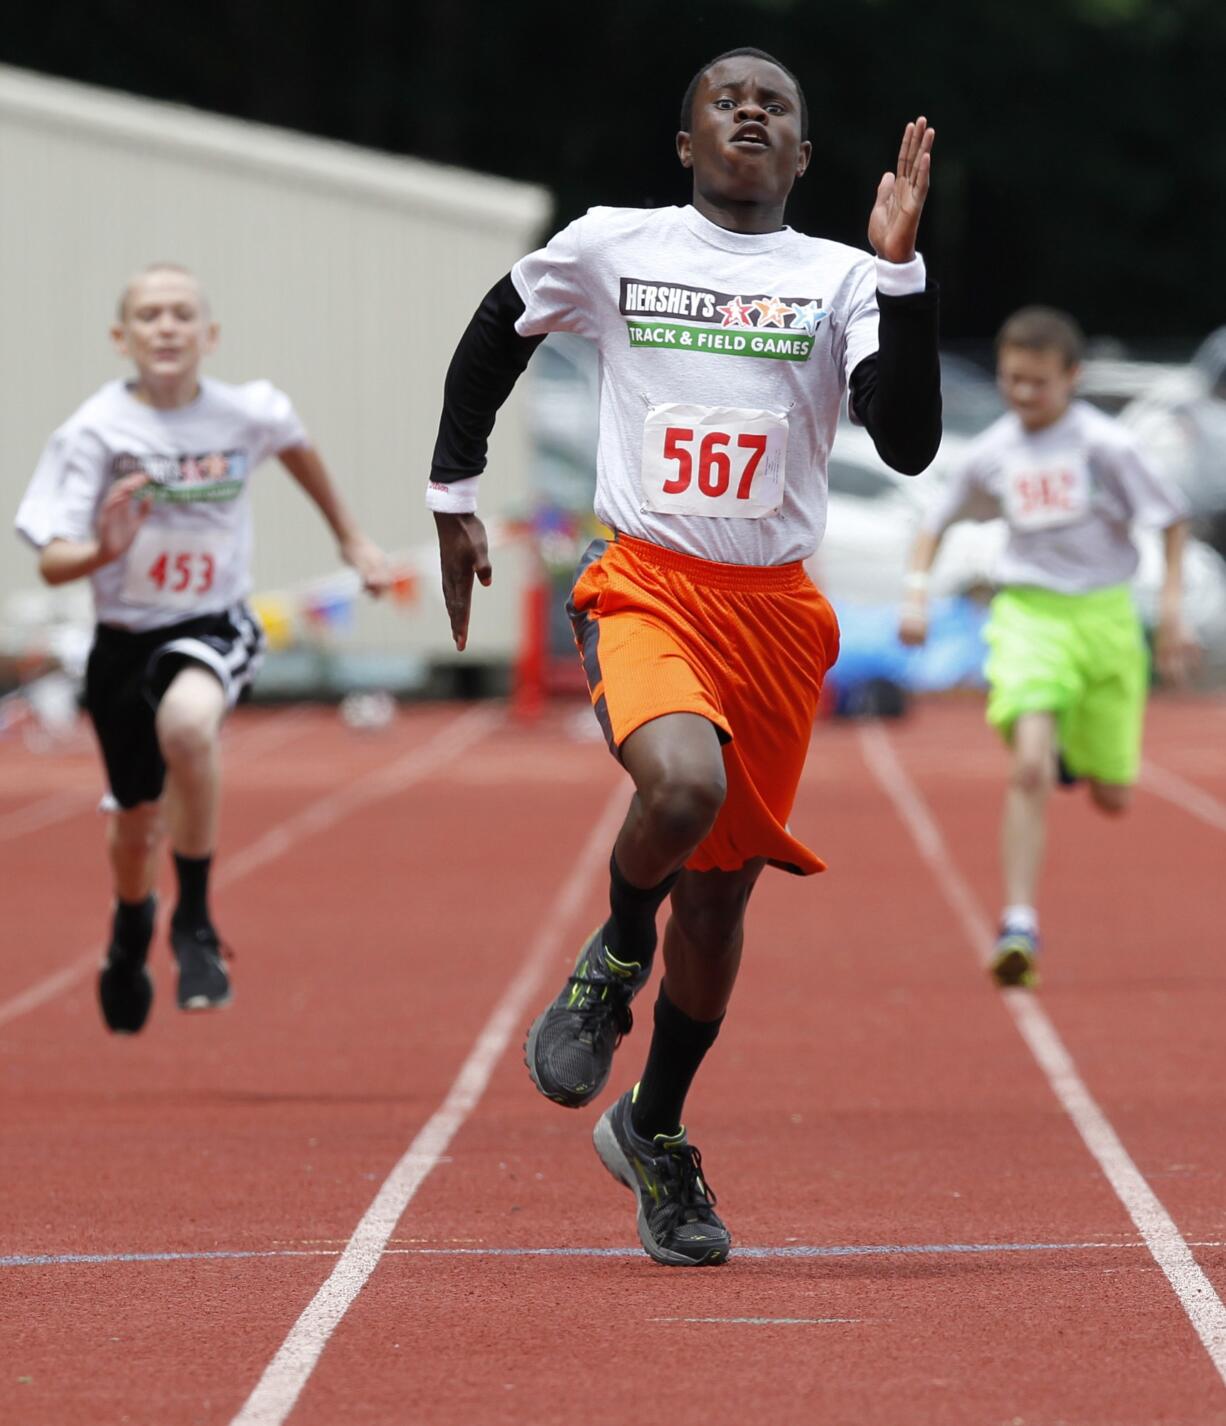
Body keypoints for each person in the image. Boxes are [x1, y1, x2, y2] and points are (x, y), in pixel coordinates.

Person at [427, 48, 942, 1266]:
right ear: (685, 142)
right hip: (647, 582)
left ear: (803, 156)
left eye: (776, 105)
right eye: (727, 98)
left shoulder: (842, 278)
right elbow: (498, 326)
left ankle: (652, 1130)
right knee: (681, 788)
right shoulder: (616, 245)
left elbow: (909, 444)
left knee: (714, 903)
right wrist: (452, 487)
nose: (752, 111)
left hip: (770, 613)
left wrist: (902, 270)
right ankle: (610, 958)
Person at [15, 263, 389, 1034]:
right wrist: (99, 548)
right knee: (133, 825)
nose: (166, 327)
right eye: (148, 315)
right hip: (122, 638)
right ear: (121, 337)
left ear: (209, 335)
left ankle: (193, 918)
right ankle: (128, 934)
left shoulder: (247, 412)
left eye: (182, 314)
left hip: (212, 621)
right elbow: (50, 556)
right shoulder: (93, 433)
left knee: (189, 726)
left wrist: (352, 538)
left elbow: (298, 450)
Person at [899, 306, 1197, 989]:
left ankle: (1072, 753)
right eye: (1012, 381)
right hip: (1028, 617)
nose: (1023, 395)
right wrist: (916, 595)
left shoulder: (1106, 448)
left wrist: (1173, 612)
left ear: (1072, 377)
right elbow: (933, 522)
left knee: (1115, 796)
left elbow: (1173, 519)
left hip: (1107, 624)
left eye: (1038, 382)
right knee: (1027, 766)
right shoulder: (992, 451)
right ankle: (1018, 923)